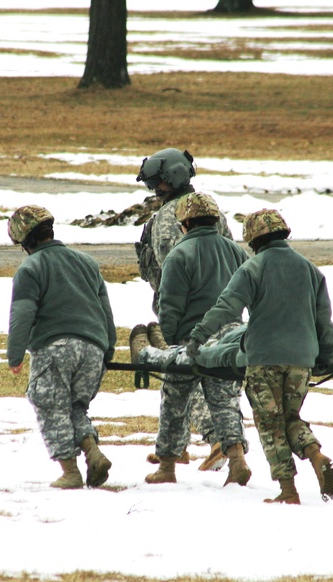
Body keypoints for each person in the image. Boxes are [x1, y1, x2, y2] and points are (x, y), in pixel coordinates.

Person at [185, 209, 333, 505]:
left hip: (263, 360)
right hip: (301, 360)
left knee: (270, 425)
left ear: (253, 238)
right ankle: (317, 456)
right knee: (290, 418)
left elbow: (227, 307)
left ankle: (288, 490)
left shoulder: (252, 268)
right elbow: (324, 321)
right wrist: (327, 355)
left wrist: (198, 336)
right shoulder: (310, 270)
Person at [140, 192, 252, 487]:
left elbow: (170, 305)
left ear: (185, 221)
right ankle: (237, 459)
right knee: (225, 402)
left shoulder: (180, 253)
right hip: (229, 340)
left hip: (192, 340)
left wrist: (174, 341)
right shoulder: (236, 252)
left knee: (174, 401)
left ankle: (167, 465)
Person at [134, 148, 233, 472]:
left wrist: (171, 320)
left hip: (187, 314)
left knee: (181, 376)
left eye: (157, 184)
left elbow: (168, 273)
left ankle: (212, 440)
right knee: (218, 380)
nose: (154, 190)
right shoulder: (212, 211)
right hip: (225, 313)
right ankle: (186, 448)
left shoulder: (166, 219)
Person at [6, 205, 117, 490]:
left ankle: (70, 472)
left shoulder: (31, 268)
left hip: (55, 347)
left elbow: (22, 313)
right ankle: (93, 453)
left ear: (24, 241)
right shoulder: (86, 262)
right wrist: (108, 349)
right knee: (75, 407)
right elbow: (105, 310)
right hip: (94, 347)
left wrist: (15, 355)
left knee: (50, 405)